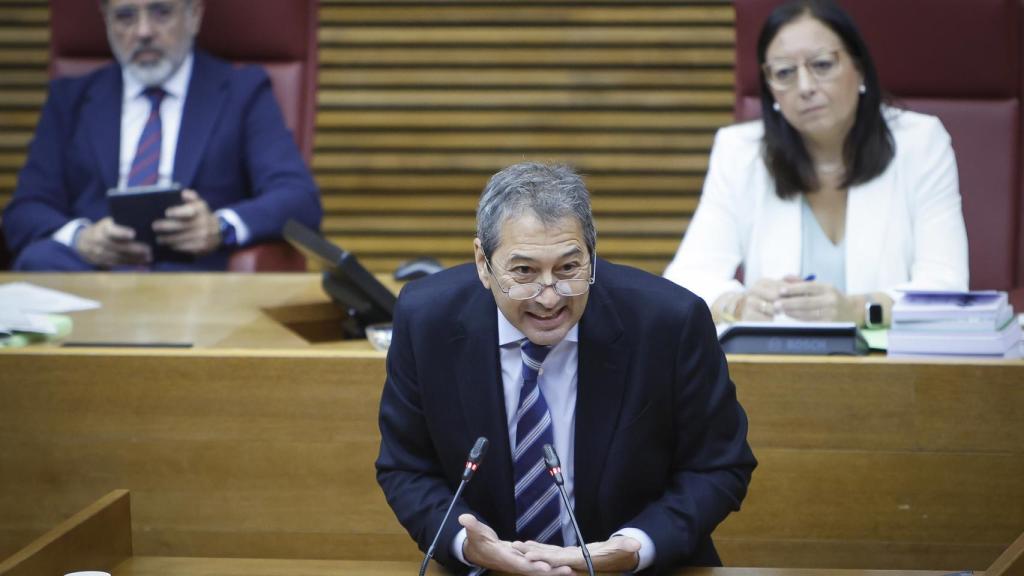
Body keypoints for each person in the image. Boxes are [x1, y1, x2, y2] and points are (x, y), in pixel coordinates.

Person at [376, 162, 756, 575]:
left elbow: (719, 465)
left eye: (568, 268)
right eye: (524, 272)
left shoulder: (670, 322)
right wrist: (465, 544)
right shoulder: (426, 319)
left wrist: (633, 548)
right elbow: (406, 466)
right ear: (483, 264)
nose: (549, 296)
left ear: (591, 255)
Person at [663, 0, 968, 327]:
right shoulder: (741, 152)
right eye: (784, 73)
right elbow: (683, 283)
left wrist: (857, 310)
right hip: (779, 369)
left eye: (822, 65)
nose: (805, 87)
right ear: (770, 90)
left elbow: (946, 289)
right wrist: (738, 306)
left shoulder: (920, 142)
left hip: (891, 370)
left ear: (860, 68)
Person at [3, 0, 321, 271]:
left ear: (194, 15)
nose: (143, 32)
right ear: (106, 20)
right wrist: (80, 238)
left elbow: (298, 198)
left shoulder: (242, 92)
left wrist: (219, 227)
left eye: (161, 12)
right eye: (125, 16)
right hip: (92, 278)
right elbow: (24, 211)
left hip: (195, 281)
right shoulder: (70, 99)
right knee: (39, 260)